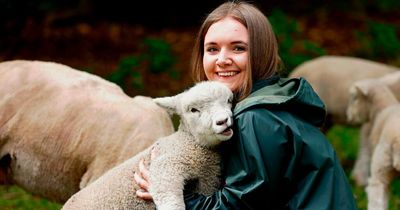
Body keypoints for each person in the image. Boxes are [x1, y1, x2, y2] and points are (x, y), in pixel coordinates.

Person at [134, 1, 358, 209]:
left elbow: (241, 205)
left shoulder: (257, 118)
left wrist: (173, 195)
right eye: (212, 49)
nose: (222, 59)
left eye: (238, 48)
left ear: (261, 53)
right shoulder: (274, 98)